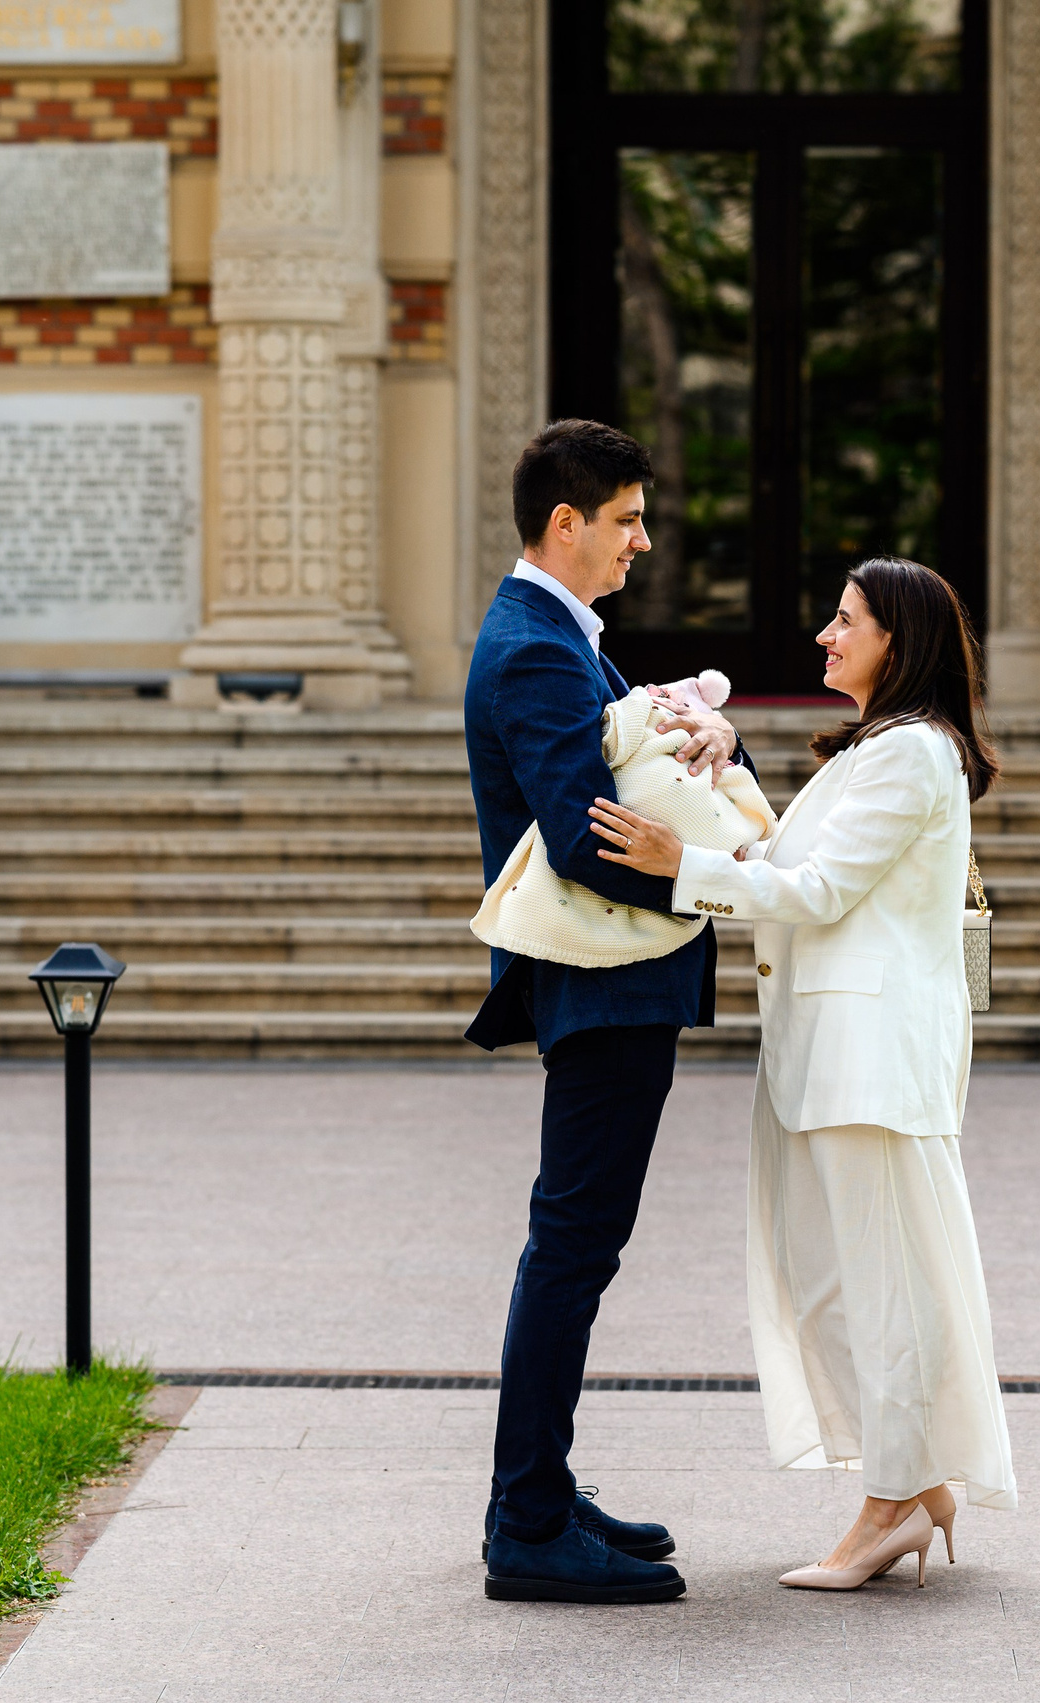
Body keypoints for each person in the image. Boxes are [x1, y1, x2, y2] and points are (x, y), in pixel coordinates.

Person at [590, 555, 1015, 1592]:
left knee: (879, 1286)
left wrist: (676, 866)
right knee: (834, 1280)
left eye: (846, 620)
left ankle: (891, 1502)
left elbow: (815, 891)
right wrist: (725, 766)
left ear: (897, 641)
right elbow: (790, 850)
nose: (824, 635)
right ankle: (913, 1483)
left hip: (866, 1061)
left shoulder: (915, 751)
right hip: (829, 1056)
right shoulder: (876, 749)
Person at [464, 419, 748, 1605]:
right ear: (563, 522)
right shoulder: (533, 645)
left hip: (620, 979)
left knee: (579, 1244)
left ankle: (542, 1485)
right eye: (626, 518)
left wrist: (708, 735)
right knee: (573, 1245)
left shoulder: (567, 637)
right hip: (601, 977)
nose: (642, 540)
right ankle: (526, 1519)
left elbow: (634, 770)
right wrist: (713, 875)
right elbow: (588, 837)